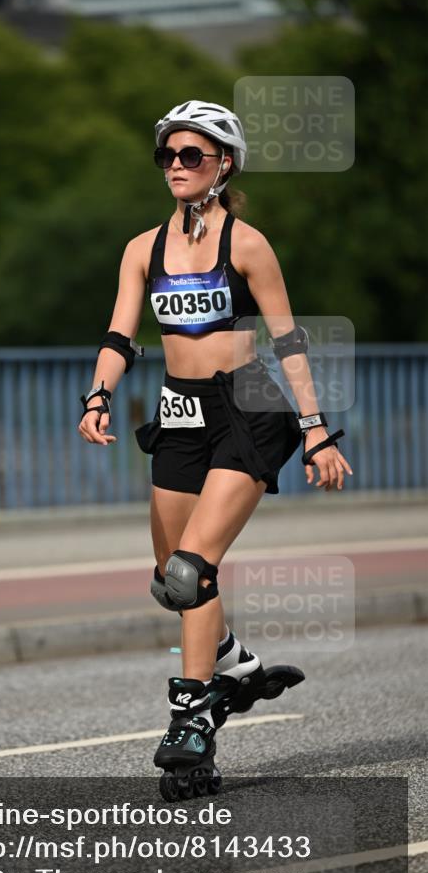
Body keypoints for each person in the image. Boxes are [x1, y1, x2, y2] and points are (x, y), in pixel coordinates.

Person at [77, 100, 352, 801]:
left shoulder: (247, 244)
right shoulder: (143, 248)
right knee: (167, 577)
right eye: (167, 156)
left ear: (223, 164)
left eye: (190, 156)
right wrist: (97, 396)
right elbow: (119, 334)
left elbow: (287, 339)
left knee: (191, 571)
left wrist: (315, 429)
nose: (175, 166)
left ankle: (190, 722)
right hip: (178, 411)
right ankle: (233, 666)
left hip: (248, 408)